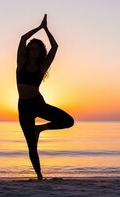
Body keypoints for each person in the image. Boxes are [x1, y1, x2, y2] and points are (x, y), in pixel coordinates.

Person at [16, 14, 74, 180]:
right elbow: (22, 38)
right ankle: (39, 176)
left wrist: (47, 30)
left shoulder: (42, 67)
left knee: (68, 121)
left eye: (37, 48)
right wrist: (39, 27)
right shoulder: (21, 63)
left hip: (38, 103)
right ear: (28, 50)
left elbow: (55, 47)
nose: (34, 51)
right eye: (32, 48)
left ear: (40, 51)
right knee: (31, 145)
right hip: (24, 107)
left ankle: (40, 128)